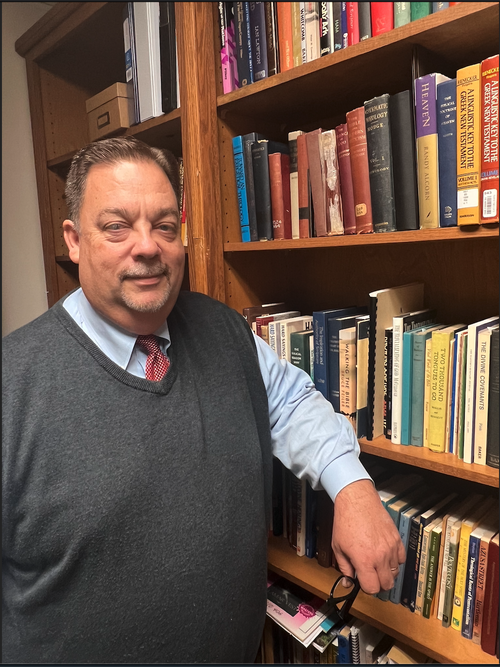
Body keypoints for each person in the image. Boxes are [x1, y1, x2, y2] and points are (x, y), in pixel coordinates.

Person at [2, 136, 404, 664]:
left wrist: (352, 488)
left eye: (165, 226)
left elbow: (290, 402)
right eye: (117, 227)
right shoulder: (12, 384)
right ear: (74, 241)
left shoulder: (223, 330)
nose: (147, 247)